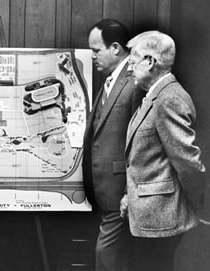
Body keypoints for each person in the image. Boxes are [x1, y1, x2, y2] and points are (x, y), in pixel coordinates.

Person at [120, 31, 205, 271]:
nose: (128, 70)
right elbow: (146, 158)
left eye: (132, 62)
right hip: (150, 217)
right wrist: (131, 197)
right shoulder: (154, 96)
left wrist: (196, 205)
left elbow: (187, 162)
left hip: (161, 220)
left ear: (150, 62)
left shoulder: (170, 99)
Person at [82, 19, 144, 271]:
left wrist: (130, 191)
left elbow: (142, 141)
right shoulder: (110, 80)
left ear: (116, 48)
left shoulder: (135, 82)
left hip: (121, 189)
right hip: (104, 188)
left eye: (97, 50)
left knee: (106, 255)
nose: (92, 56)